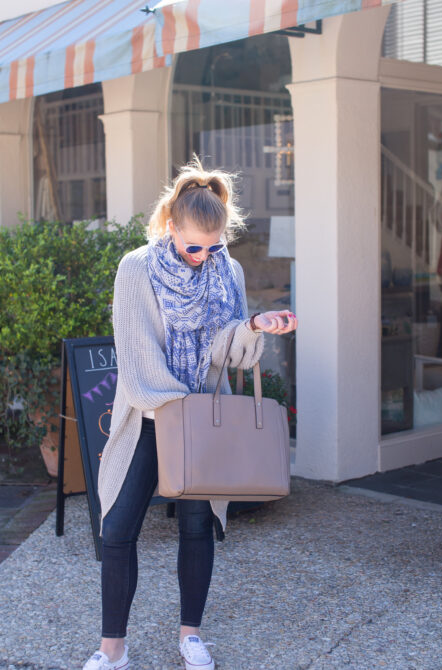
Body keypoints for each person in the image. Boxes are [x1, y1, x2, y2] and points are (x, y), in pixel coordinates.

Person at [83, 156, 298, 670]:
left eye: (214, 245)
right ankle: (113, 647)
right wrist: (179, 405)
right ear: (170, 226)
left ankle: (190, 635)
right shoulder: (136, 268)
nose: (203, 256)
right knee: (116, 530)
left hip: (205, 422)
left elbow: (227, 351)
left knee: (197, 528)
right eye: (192, 245)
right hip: (151, 418)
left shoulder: (230, 270)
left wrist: (253, 327)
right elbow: (136, 355)